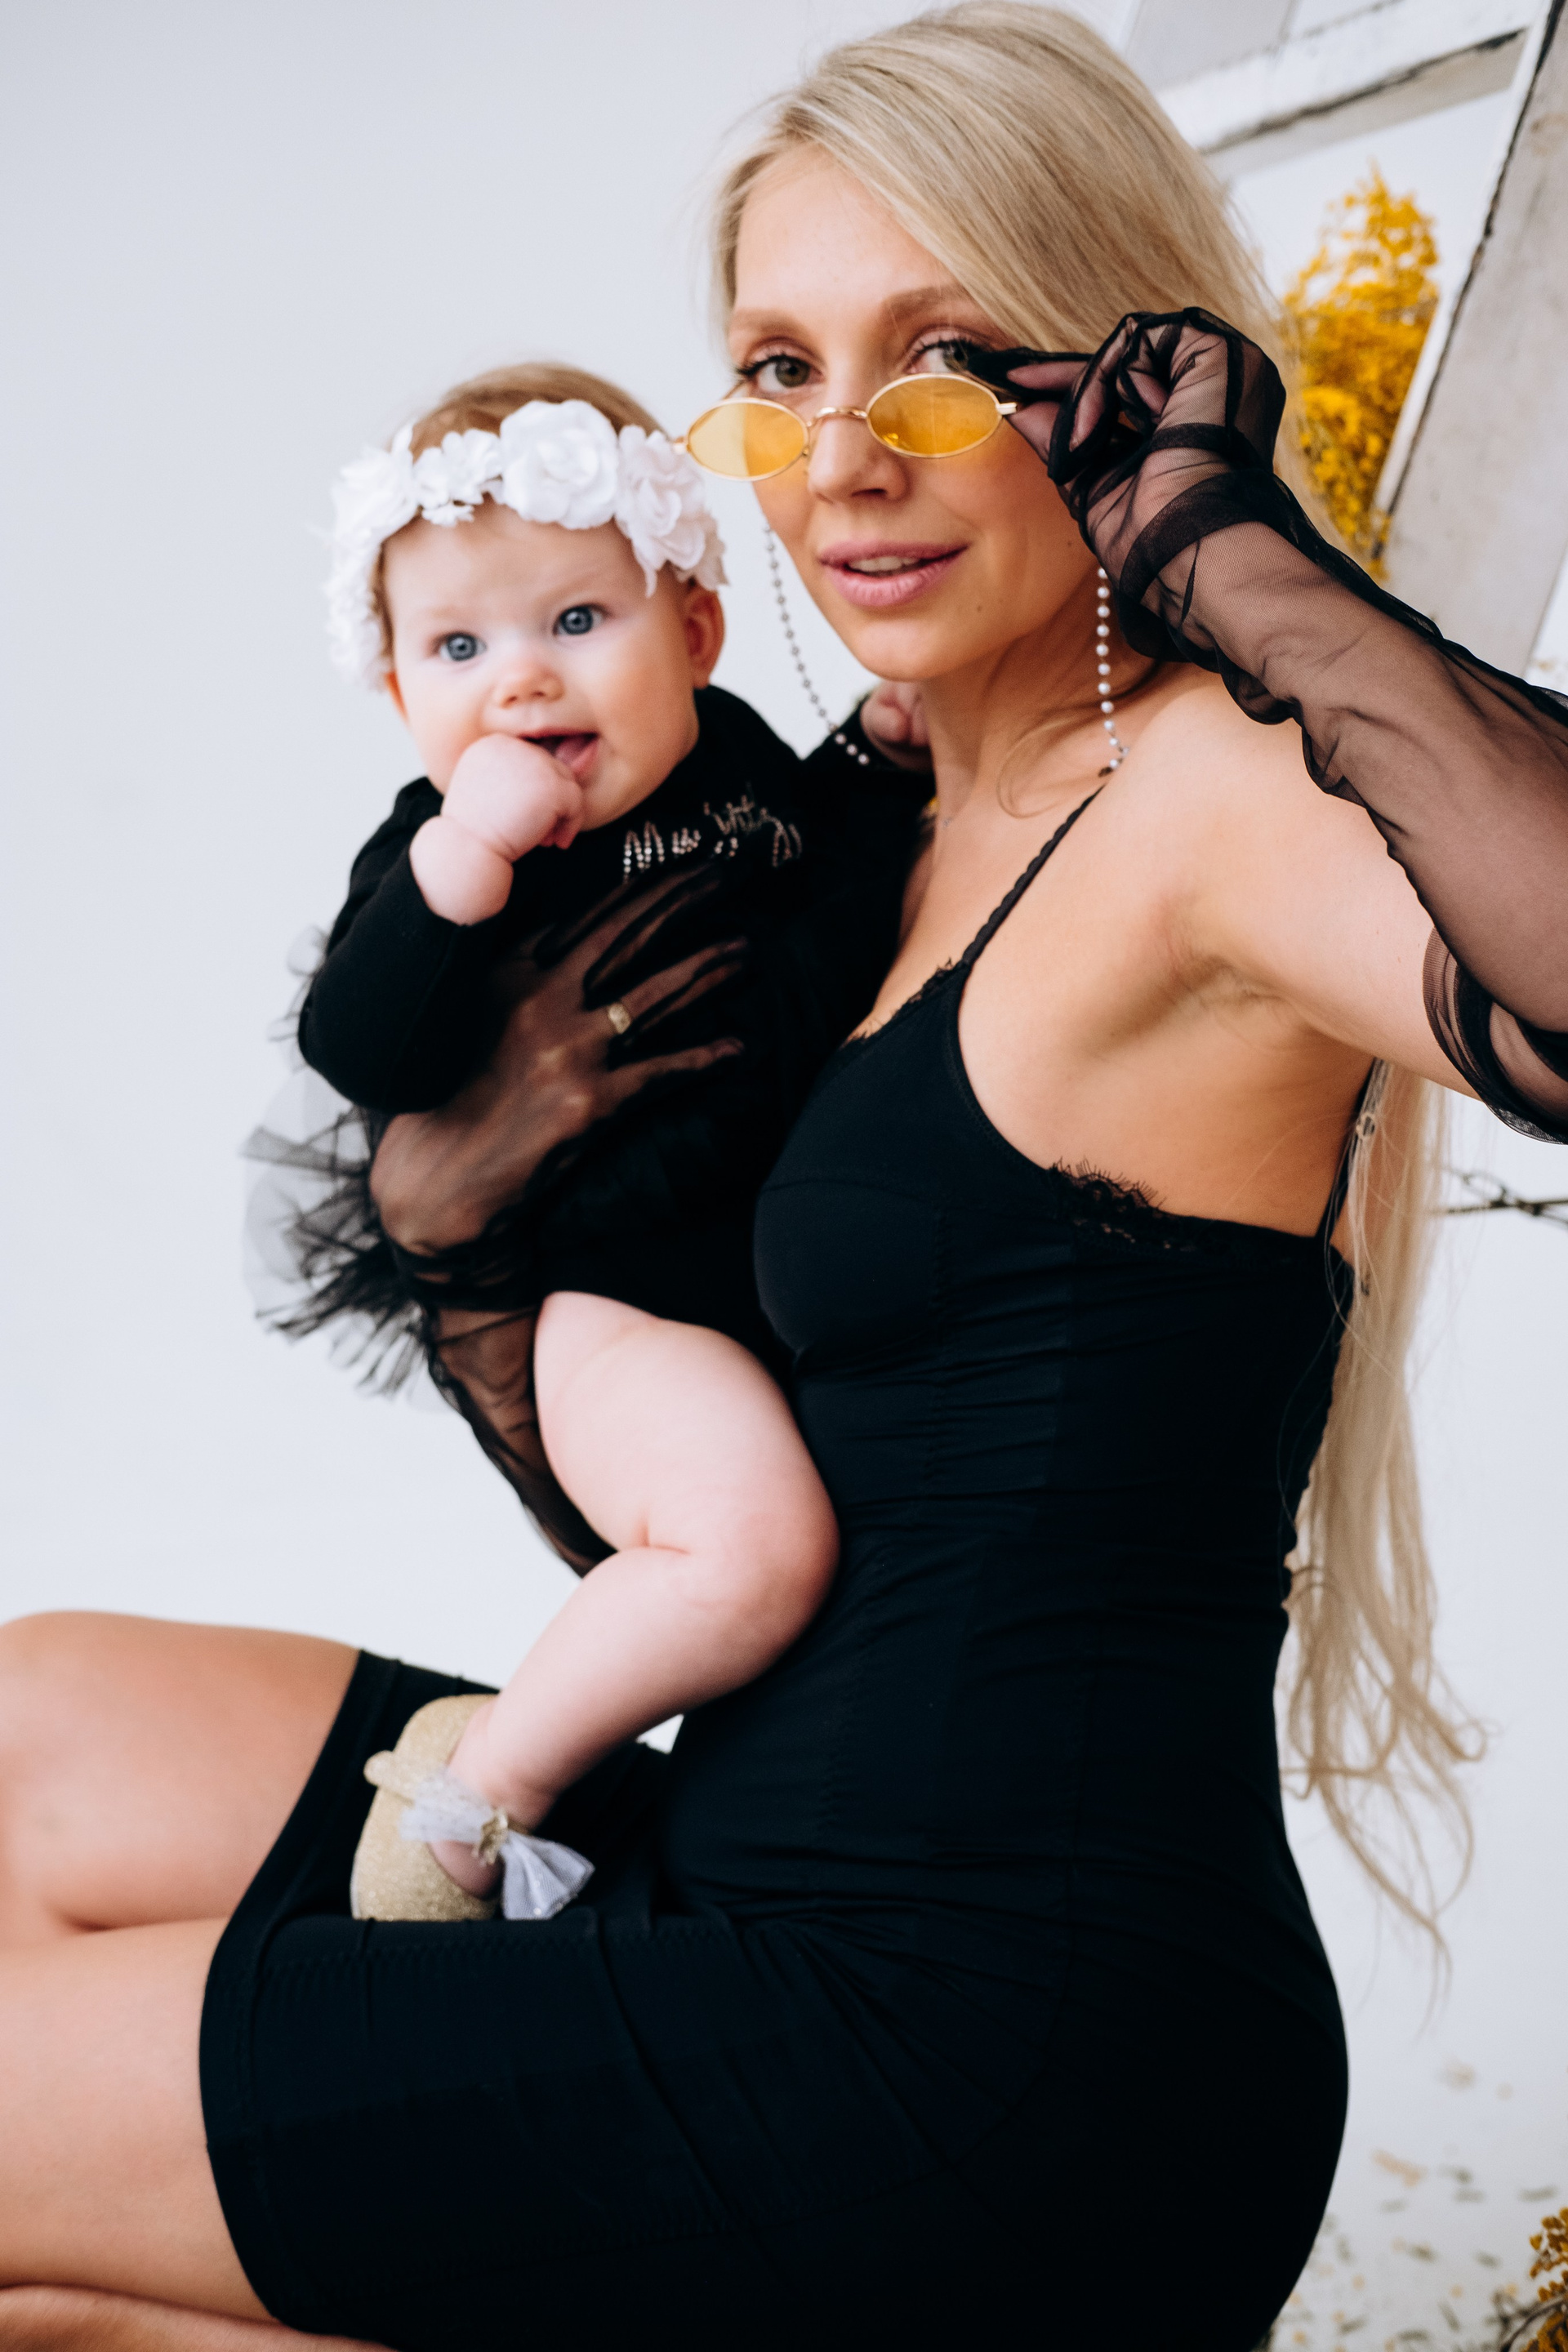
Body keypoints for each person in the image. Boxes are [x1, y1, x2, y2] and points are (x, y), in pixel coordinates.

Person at [5, 7, 1568, 2348]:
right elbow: (762, 1522)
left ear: (1119, 374)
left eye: (939, 361)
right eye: (777, 370)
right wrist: (476, 1263)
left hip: (992, 2048)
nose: (843, 459)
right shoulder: (870, 833)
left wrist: (1230, 556)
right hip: (752, 1879)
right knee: (33, 1733)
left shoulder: (1211, 804)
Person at [274, 361, 921, 1918]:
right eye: (459, 648)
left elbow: (835, 897)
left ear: (694, 634)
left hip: (781, 1259)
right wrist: (461, 863)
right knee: (748, 1551)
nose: (523, 683)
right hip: (607, 1308)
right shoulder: (429, 855)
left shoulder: (742, 769)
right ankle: (480, 1790)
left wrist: (882, 759)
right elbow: (359, 1049)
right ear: (401, 700)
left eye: (577, 621)